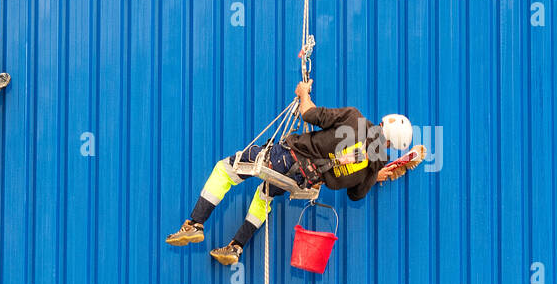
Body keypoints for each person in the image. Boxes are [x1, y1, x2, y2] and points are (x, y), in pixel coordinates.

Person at [166, 80, 415, 265]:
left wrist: (303, 93)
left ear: (384, 122)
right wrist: (377, 175)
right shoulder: (371, 168)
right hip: (301, 182)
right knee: (264, 196)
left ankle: (194, 224)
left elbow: (309, 114)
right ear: (392, 145)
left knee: (224, 169)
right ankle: (235, 247)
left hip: (286, 158)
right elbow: (356, 194)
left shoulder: (355, 119)